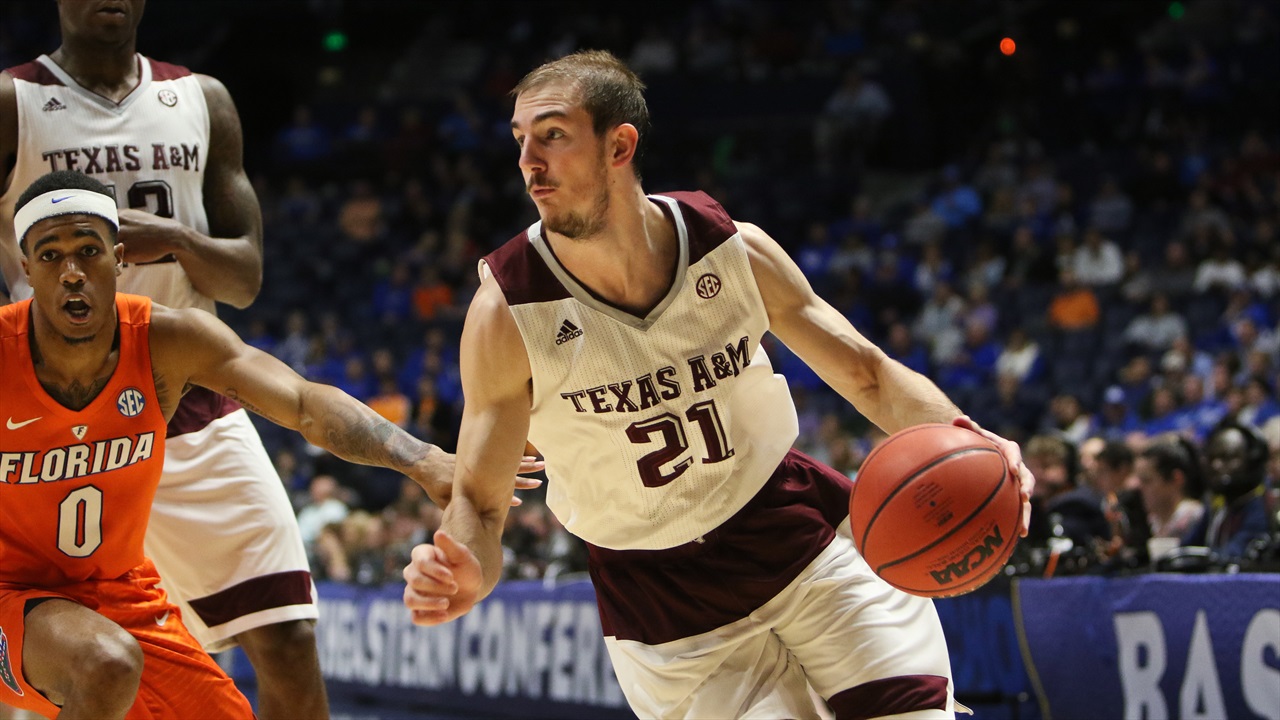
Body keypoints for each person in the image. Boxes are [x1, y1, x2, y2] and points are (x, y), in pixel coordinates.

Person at [402, 50, 1034, 719]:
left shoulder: (730, 248)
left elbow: (868, 373)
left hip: (796, 532)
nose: (529, 161)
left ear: (619, 144)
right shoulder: (508, 310)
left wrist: (970, 438)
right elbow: (481, 500)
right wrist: (467, 566)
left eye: (553, 135)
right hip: (662, 600)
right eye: (520, 140)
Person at [1, 3, 317, 715]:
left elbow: (244, 278)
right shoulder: (12, 100)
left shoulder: (201, 99)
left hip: (188, 393)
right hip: (53, 405)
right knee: (65, 648)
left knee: (287, 634)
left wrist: (172, 238)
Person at [1182, 420, 1273, 559]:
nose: (1216, 465)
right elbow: (1186, 550)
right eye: (1212, 458)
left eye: (1227, 458)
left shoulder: (1264, 507)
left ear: (1253, 460)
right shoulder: (1215, 507)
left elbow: (1235, 555)